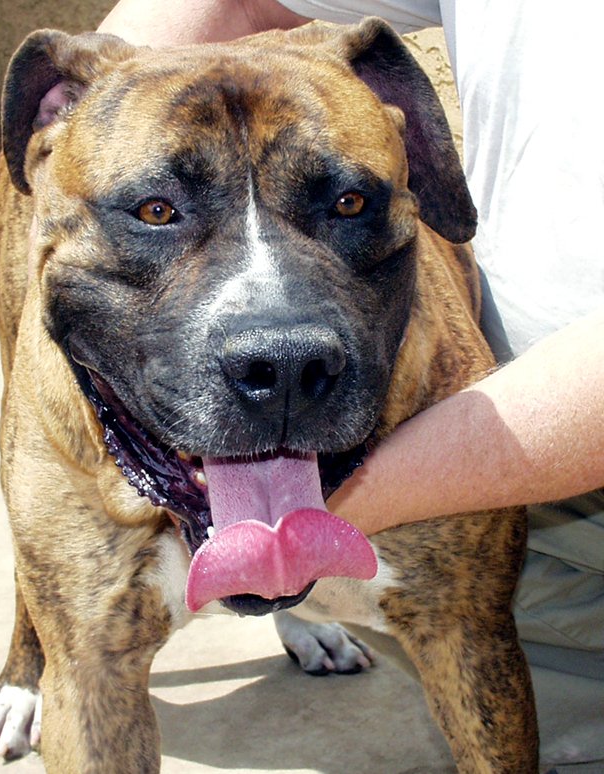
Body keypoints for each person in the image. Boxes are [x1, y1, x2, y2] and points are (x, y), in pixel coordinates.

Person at [98, 1, 604, 771]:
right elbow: (231, 3)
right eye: (158, 210)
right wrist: (93, 99)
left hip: (516, 443)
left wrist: (290, 519)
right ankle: (23, 653)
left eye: (346, 204)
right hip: (531, 449)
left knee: (460, 604)